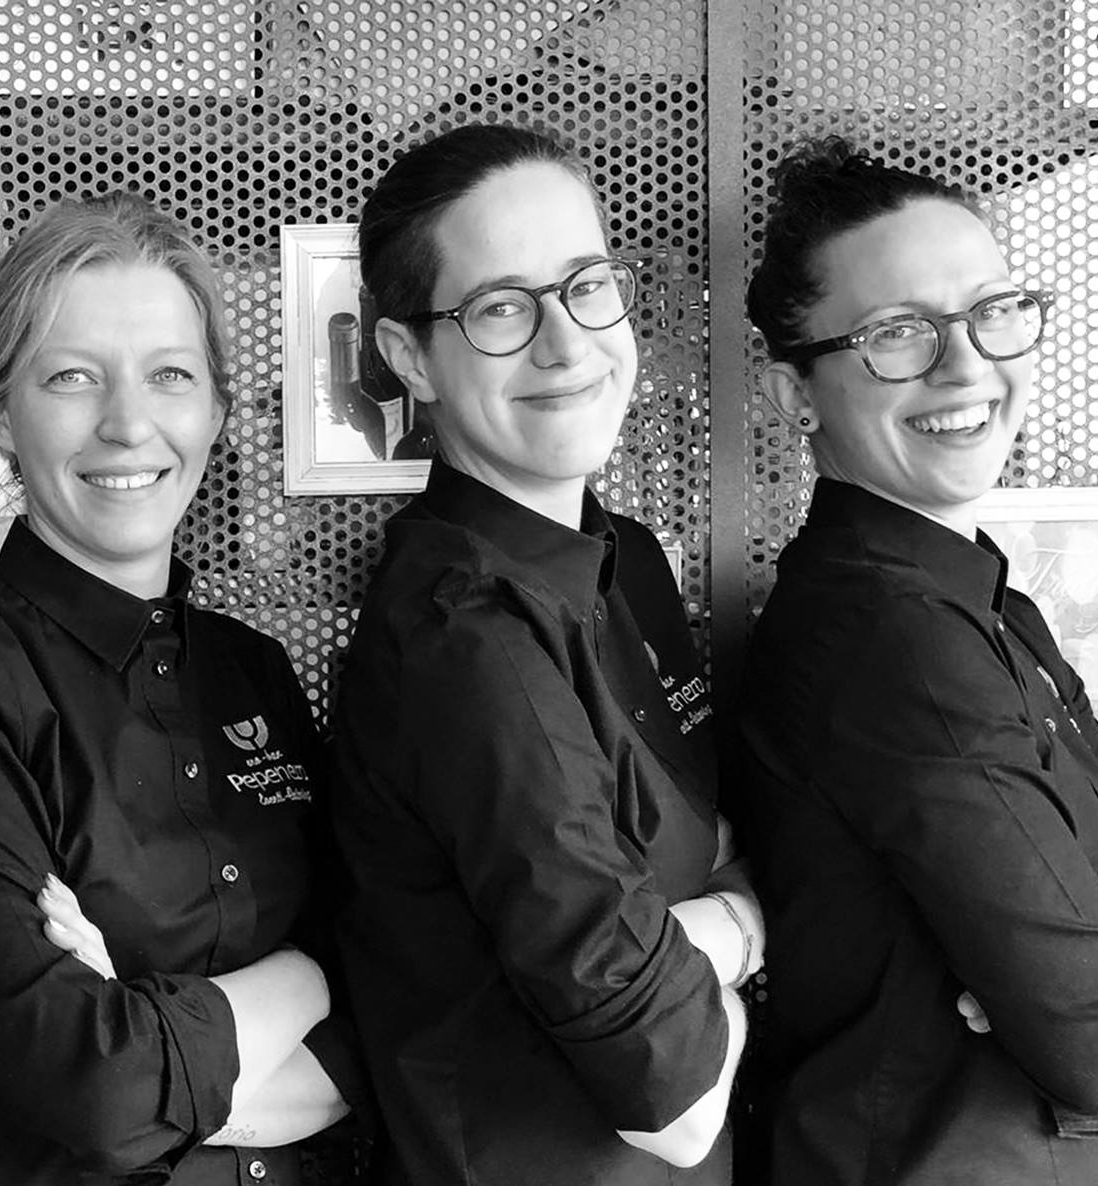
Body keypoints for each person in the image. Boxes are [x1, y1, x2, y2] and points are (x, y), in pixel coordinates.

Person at [736, 137, 1098, 1184]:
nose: (964, 365)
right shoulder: (888, 635)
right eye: (896, 333)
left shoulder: (986, 601)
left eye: (991, 312)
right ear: (794, 394)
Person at [0, 191, 360, 1185]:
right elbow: (94, 1087)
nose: (128, 424)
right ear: (0, 414)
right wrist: (304, 978)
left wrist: (144, 1032)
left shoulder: (254, 670)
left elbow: (384, 1016)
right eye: (72, 377)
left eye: (169, 376)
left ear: (215, 411)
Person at [332, 123, 759, 1184]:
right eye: (499, 308)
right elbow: (668, 1090)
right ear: (408, 358)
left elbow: (704, 848)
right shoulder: (464, 634)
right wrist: (751, 920)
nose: (566, 344)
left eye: (585, 285)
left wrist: (680, 933)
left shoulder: (627, 560)